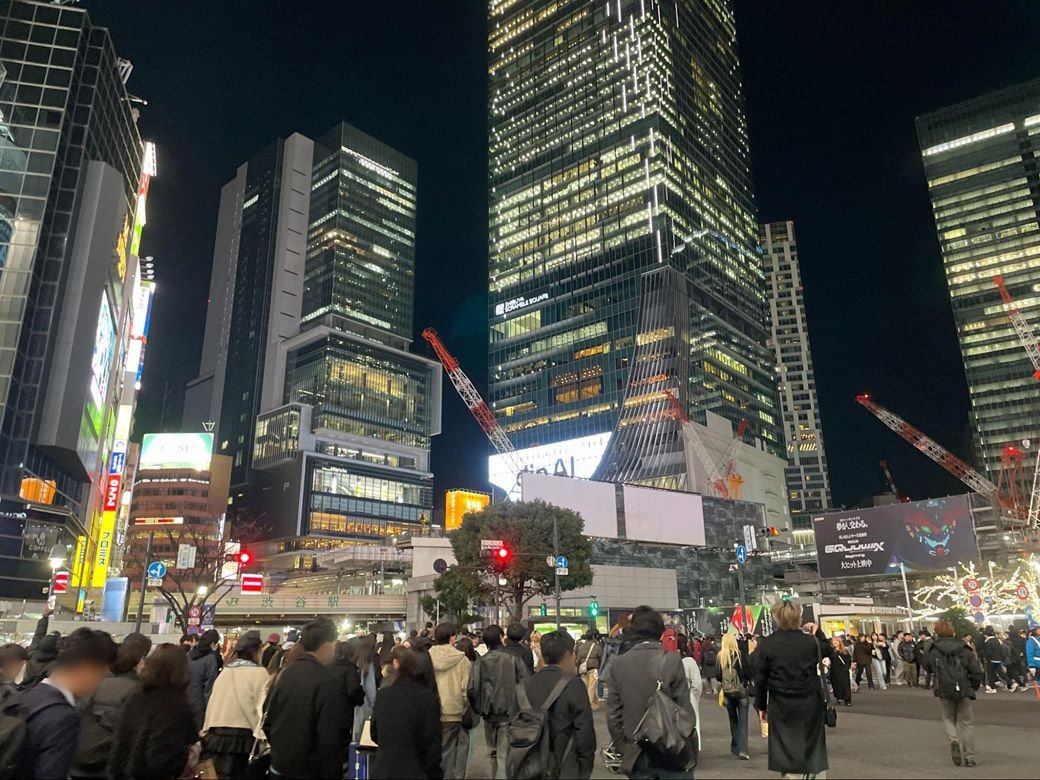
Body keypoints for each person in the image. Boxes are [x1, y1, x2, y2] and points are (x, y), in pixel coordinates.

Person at [13, 628, 116, 780]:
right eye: (101, 674)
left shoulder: (32, 696)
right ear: (86, 669)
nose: (99, 682)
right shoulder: (63, 717)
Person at [606, 605, 694, 780]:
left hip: (637, 752)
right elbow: (686, 710)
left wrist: (624, 747)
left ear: (632, 632)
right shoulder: (672, 661)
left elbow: (613, 714)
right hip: (670, 748)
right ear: (661, 633)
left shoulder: (618, 664)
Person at [754, 601, 831, 779]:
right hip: (810, 700)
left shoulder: (768, 643)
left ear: (776, 617)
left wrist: (761, 706)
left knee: (786, 746)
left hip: (781, 701)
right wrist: (817, 631)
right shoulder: (811, 642)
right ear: (799, 617)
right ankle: (813, 774)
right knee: (812, 744)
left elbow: (761, 678)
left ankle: (791, 776)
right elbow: (828, 650)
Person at [264, 618, 347, 780]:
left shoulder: (284, 675)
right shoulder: (329, 681)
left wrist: (282, 749)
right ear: (327, 646)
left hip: (279, 767)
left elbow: (267, 720)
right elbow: (329, 738)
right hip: (311, 771)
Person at [109, 644, 199, 780]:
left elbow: (121, 741)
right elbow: (163, 757)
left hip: (125, 772)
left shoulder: (136, 695)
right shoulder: (175, 703)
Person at [517, 629, 596, 778]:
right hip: (564, 763)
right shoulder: (574, 684)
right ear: (568, 655)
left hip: (529, 764)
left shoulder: (524, 685)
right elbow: (584, 729)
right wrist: (585, 766)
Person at [70, 634, 151, 779]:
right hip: (112, 761)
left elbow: (79, 713)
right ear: (137, 663)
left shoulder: (98, 683)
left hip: (83, 757)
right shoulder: (139, 691)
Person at [201, 630, 271, 778]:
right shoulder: (260, 673)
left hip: (215, 737)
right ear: (257, 651)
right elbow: (262, 709)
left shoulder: (225, 672)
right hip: (242, 739)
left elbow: (213, 702)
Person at [369, 647, 443, 779]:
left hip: (384, 770)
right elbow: (432, 746)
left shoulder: (383, 694)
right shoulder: (428, 699)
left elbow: (375, 734)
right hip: (415, 771)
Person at [467, 624, 529, 780]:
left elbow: (472, 689)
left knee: (491, 753)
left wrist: (479, 708)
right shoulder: (513, 659)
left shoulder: (480, 662)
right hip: (509, 713)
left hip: (488, 713)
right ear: (502, 636)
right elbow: (526, 683)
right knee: (503, 755)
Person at [921, 620, 984, 768]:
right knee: (967, 722)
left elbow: (927, 667)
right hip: (964, 688)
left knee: (948, 718)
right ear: (953, 631)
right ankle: (970, 757)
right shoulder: (964, 648)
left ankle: (954, 739)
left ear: (936, 632)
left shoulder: (933, 650)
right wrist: (972, 687)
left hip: (944, 688)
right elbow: (976, 671)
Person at [430, 622, 471, 780]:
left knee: (431, 751)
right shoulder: (462, 660)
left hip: (430, 711)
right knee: (449, 753)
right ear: (452, 637)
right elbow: (466, 689)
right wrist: (464, 705)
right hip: (453, 712)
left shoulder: (427, 657)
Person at [716, 632, 752, 761]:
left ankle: (735, 746)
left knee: (733, 719)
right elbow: (749, 673)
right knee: (743, 721)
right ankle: (743, 749)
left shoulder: (720, 657)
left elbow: (718, 676)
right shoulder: (742, 656)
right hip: (741, 692)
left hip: (727, 693)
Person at [188, 628, 222, 729]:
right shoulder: (210, 659)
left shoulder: (188, 655)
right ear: (212, 643)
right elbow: (209, 687)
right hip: (200, 704)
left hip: (187, 700)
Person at [679, 639, 703, 749]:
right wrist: (695, 696)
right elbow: (697, 683)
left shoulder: (665, 659)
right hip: (689, 695)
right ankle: (693, 749)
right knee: (692, 724)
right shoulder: (689, 661)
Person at [574, 630, 603, 712]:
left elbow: (578, 659)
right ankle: (588, 705)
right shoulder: (597, 647)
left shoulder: (581, 646)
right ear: (594, 636)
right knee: (591, 687)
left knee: (588, 687)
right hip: (593, 669)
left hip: (583, 670)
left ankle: (595, 704)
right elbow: (600, 657)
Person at [979, 626, 1013, 692]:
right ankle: (1011, 683)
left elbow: (988, 652)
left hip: (991, 660)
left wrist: (986, 657)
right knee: (1001, 673)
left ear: (986, 635)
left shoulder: (988, 642)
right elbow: (1001, 649)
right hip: (998, 659)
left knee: (990, 674)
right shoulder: (997, 640)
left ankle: (992, 688)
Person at [828, 636, 853, 707]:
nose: (835, 642)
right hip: (834, 670)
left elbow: (848, 660)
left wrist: (846, 668)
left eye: (837, 641)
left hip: (843, 669)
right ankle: (838, 697)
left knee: (845, 685)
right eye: (833, 641)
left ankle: (847, 700)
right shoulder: (831, 651)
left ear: (840, 642)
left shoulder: (844, 651)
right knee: (836, 684)